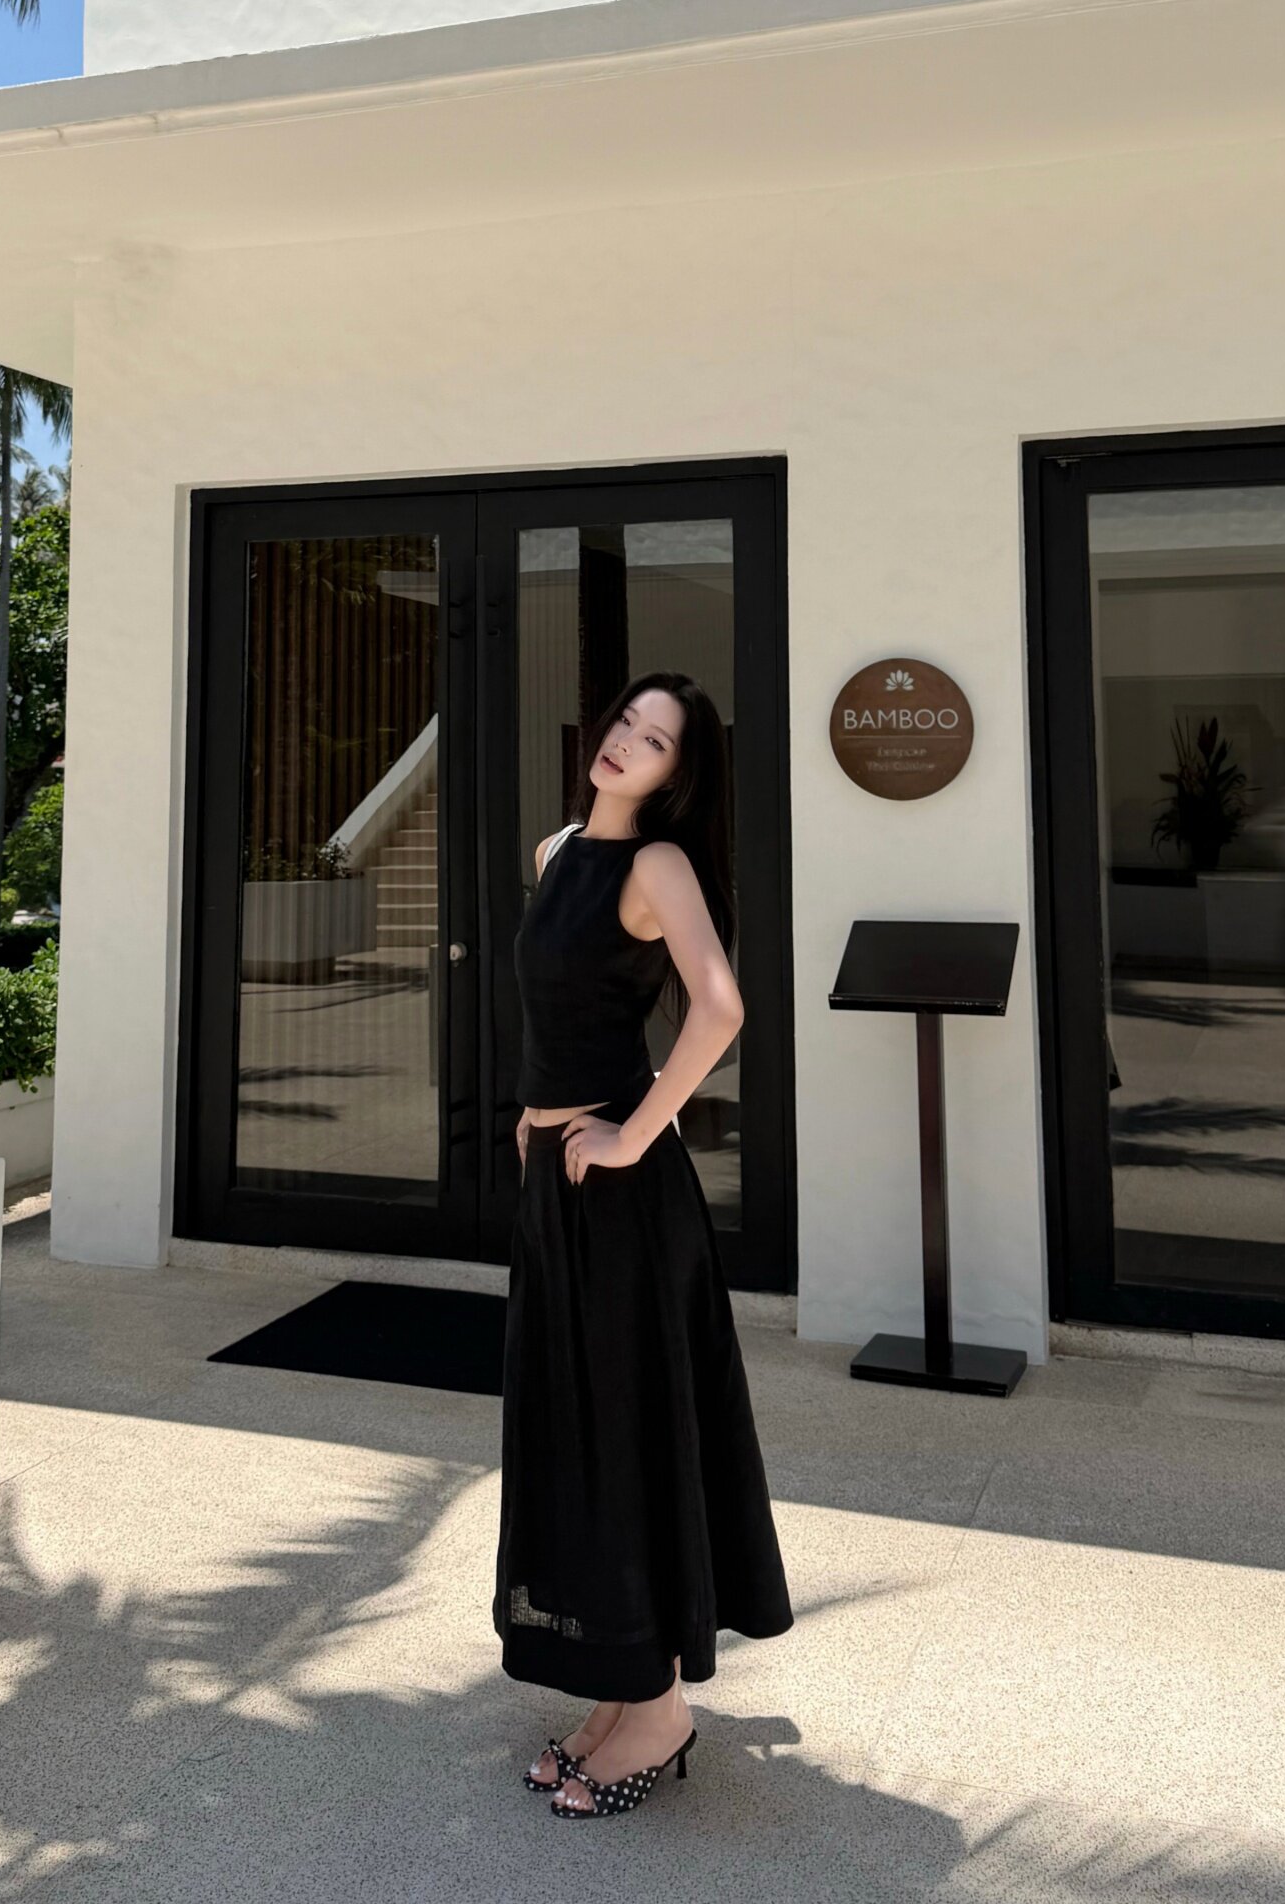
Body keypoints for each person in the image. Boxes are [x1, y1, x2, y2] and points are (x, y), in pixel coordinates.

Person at [493, 669, 794, 1822]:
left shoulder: (657, 865)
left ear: (678, 773)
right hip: (557, 1177)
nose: (626, 742)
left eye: (655, 740)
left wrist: (631, 1133)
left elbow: (721, 1007)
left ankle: (660, 1711)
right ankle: (621, 1690)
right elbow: (565, 1012)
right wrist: (537, 1113)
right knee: (572, 1430)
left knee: (623, 1434)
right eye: (625, 721)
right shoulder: (558, 849)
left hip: (619, 1194)